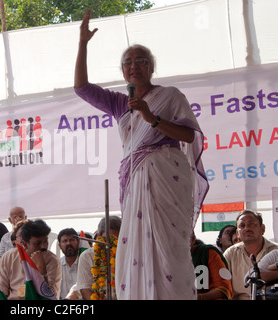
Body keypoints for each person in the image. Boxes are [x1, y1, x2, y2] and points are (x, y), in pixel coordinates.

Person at [74, 10, 209, 300]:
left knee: (169, 246)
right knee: (134, 245)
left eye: (141, 60)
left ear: (152, 67)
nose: (133, 66)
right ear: (123, 71)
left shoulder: (170, 96)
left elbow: (188, 136)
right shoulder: (119, 103)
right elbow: (82, 88)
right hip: (136, 180)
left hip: (167, 175)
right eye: (127, 62)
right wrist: (83, 43)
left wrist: (152, 118)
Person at [0, 219, 61, 300]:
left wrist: (42, 271)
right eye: (38, 243)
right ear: (25, 244)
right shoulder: (9, 257)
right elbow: (1, 291)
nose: (43, 247)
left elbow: (51, 297)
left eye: (45, 242)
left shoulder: (53, 261)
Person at [223, 210, 278, 300]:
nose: (247, 228)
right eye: (242, 225)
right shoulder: (230, 254)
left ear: (262, 229)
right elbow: (222, 287)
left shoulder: (275, 251)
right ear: (237, 233)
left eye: (251, 224)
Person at [76, 216, 121, 300]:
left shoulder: (126, 255)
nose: (113, 243)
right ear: (99, 236)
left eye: (117, 239)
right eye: (110, 239)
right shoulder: (87, 256)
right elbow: (85, 289)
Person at [191, 233, 233, 300]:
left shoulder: (208, 253)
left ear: (192, 238)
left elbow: (223, 289)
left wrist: (198, 297)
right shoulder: (169, 259)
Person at [57, 228, 80, 299]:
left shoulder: (85, 263)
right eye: (65, 241)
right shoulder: (56, 265)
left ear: (78, 242)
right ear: (60, 246)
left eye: (72, 240)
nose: (68, 243)